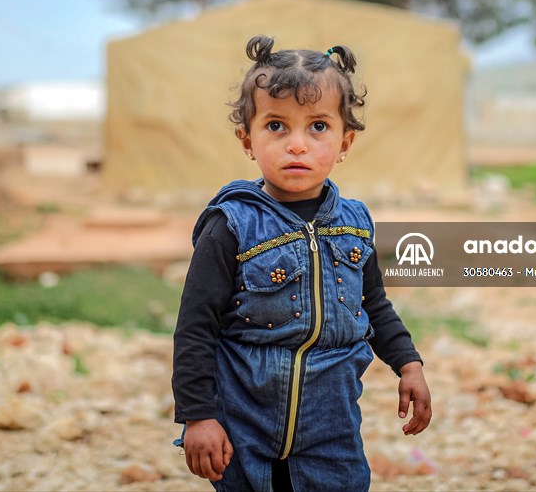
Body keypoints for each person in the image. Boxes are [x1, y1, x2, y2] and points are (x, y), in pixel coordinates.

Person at [172, 35, 432, 492]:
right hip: (244, 424)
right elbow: (196, 326)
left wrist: (409, 364)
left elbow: (374, 305)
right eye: (276, 126)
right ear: (246, 139)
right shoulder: (231, 224)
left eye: (317, 127)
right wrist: (198, 416)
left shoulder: (355, 224)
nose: (297, 145)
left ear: (345, 141)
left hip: (331, 426)